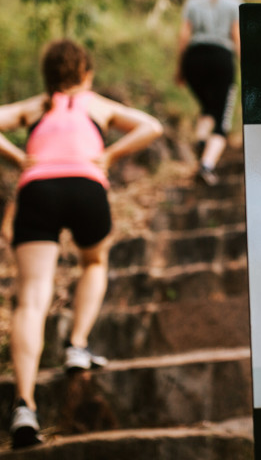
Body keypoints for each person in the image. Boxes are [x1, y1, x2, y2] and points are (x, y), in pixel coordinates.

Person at [0, 39, 163, 449]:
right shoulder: (95, 104)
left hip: (38, 189)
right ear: (86, 74)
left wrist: (20, 158)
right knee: (94, 262)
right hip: (86, 185)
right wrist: (109, 154)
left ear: (49, 77)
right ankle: (76, 345)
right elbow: (151, 126)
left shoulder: (37, 107)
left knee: (32, 298)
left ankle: (24, 405)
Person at [175, 0, 242, 185]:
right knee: (222, 118)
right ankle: (207, 164)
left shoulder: (193, 2)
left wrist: (180, 68)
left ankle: (201, 138)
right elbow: (237, 39)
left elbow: (184, 37)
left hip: (194, 59)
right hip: (221, 58)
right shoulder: (234, 3)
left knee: (208, 107)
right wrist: (246, 67)